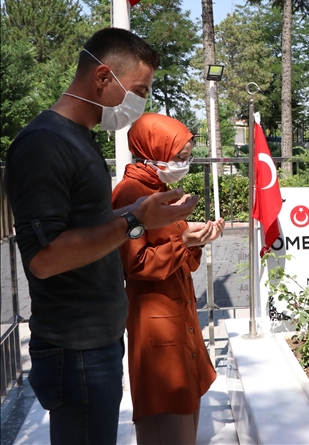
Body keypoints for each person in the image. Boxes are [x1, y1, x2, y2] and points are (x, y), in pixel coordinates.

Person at [3, 28, 199, 444]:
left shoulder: (81, 140)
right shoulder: (43, 144)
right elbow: (45, 256)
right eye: (139, 90)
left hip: (98, 340)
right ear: (103, 77)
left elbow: (88, 223)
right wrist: (133, 222)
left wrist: (143, 212)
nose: (140, 104)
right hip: (76, 346)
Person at [111, 113, 223, 443]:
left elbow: (182, 262)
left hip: (178, 313)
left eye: (187, 157)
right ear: (152, 150)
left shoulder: (159, 187)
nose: (184, 164)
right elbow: (137, 264)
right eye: (180, 157)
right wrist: (185, 240)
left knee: (185, 412)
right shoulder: (132, 192)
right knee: (167, 414)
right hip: (155, 319)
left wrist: (196, 239)